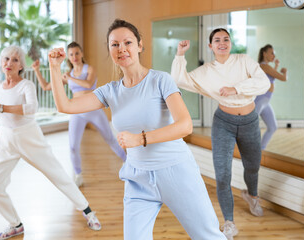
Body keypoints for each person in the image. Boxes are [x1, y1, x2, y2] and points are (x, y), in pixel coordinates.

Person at [48, 19, 226, 240]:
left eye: (127, 42)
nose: (121, 48)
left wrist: (140, 139)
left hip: (176, 172)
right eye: (114, 44)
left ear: (139, 45)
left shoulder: (161, 80)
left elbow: (184, 125)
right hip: (137, 178)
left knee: (208, 236)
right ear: (109, 50)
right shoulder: (109, 91)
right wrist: (54, 69)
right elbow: (66, 106)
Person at [0, 46, 101, 240]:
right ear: (1, 63)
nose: (9, 63)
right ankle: (15, 224)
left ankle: (88, 211)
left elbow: (32, 108)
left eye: (15, 60)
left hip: (29, 138)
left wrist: (1, 108)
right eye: (6, 58)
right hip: (6, 140)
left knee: (57, 174)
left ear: (21, 65)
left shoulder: (26, 86)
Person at [171, 29, 270, 240]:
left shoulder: (244, 60)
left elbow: (264, 83)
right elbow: (180, 79)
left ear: (230, 43)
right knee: (223, 174)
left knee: (252, 166)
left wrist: (236, 88)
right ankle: (229, 222)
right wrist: (180, 55)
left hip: (250, 121)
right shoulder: (207, 71)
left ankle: (251, 195)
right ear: (211, 46)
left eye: (226, 39)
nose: (222, 43)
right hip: (223, 123)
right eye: (217, 40)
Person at [31, 42, 126, 187]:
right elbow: (46, 87)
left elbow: (88, 84)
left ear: (81, 54)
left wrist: (69, 78)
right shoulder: (67, 75)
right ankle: (78, 174)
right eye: (71, 54)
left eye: (76, 53)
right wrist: (37, 70)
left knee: (110, 139)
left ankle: (129, 164)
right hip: (76, 113)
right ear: (68, 57)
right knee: (73, 146)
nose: (74, 57)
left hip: (94, 111)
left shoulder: (89, 69)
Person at [255, 44, 287, 150]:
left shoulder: (266, 67)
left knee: (272, 127)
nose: (274, 55)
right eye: (272, 53)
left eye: (274, 53)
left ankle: (261, 149)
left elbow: (271, 76)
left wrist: (276, 66)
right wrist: (285, 72)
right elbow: (282, 78)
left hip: (266, 102)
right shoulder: (263, 66)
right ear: (264, 54)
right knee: (250, 127)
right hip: (259, 100)